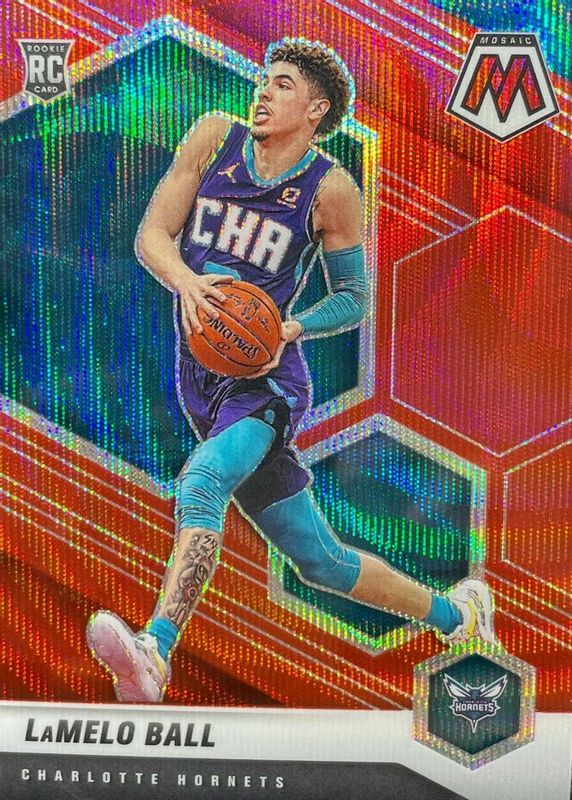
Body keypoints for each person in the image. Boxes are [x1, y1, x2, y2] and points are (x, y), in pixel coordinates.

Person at [86, 40, 496, 704]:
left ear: (315, 109)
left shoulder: (330, 188)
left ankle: (155, 650)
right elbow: (152, 235)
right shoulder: (214, 138)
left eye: (280, 84)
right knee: (318, 561)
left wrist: (291, 327)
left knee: (203, 478)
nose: (262, 92)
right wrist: (187, 281)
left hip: (268, 383)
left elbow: (355, 297)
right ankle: (459, 616)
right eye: (262, 80)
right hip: (201, 380)